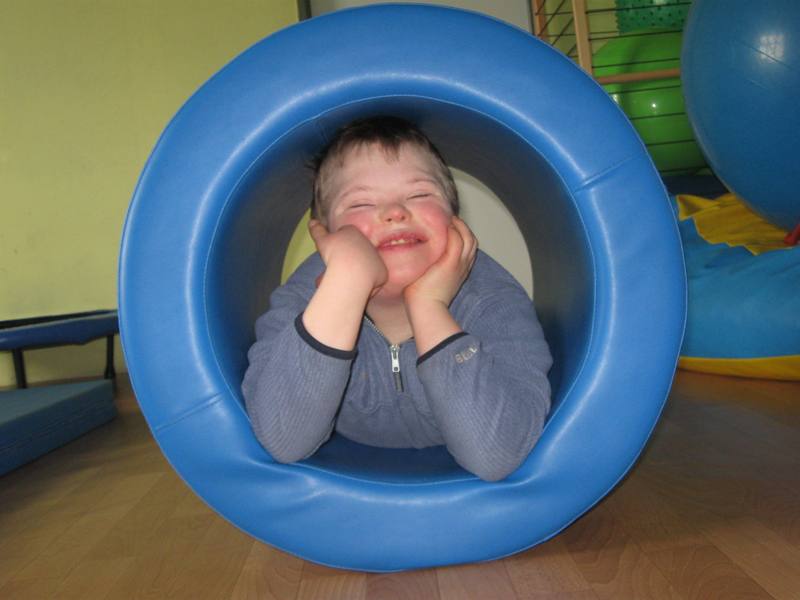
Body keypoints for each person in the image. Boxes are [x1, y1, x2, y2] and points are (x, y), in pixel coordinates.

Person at [241, 116, 552, 481]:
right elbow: (283, 440)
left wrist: (429, 306)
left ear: (455, 219)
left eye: (420, 195)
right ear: (325, 236)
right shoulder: (304, 298)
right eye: (360, 203)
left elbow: (497, 455)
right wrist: (345, 283)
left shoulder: (493, 300)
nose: (394, 212)